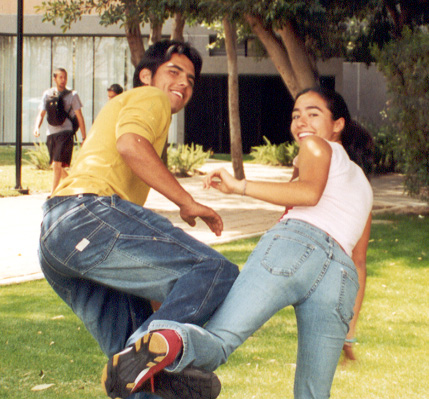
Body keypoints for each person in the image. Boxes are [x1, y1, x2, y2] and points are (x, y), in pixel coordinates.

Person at [104, 87, 374, 399]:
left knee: (219, 340)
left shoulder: (313, 146)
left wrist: (238, 186)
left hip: (295, 246)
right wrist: (349, 334)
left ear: (338, 124)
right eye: (295, 115)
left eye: (313, 114)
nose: (301, 122)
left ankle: (166, 342)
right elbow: (359, 261)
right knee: (314, 393)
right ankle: (162, 346)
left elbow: (308, 194)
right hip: (340, 280)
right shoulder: (365, 188)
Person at [38, 40, 239, 399]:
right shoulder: (151, 97)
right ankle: (159, 367)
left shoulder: (121, 105)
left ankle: (152, 373)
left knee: (134, 371)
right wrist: (187, 202)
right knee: (214, 270)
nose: (184, 84)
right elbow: (131, 145)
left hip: (58, 241)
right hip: (87, 216)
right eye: (174, 72)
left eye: (191, 80)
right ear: (147, 76)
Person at [34, 68, 87, 196]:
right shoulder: (48, 94)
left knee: (57, 164)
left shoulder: (72, 95)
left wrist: (84, 137)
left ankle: (53, 194)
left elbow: (79, 116)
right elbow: (41, 114)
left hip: (66, 132)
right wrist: (36, 127)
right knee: (55, 165)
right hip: (51, 133)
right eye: (60, 77)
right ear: (55, 79)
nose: (63, 80)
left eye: (65, 77)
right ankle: (74, 186)